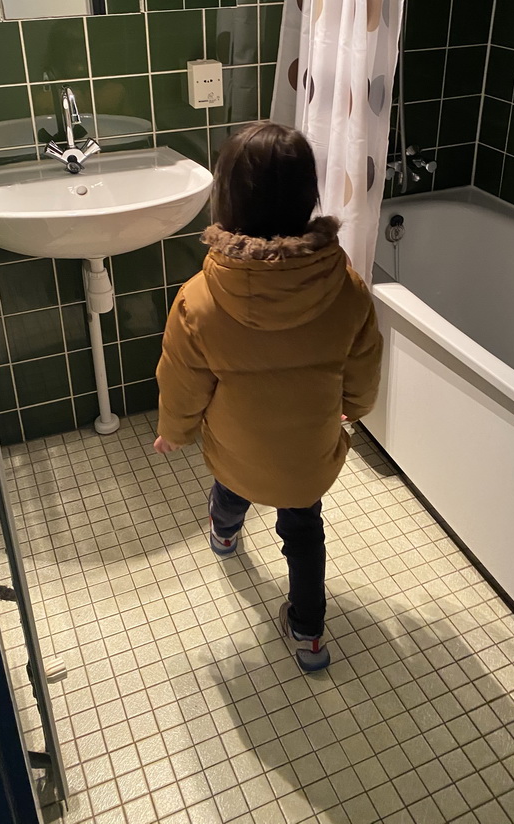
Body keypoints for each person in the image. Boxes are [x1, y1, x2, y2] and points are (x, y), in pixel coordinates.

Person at [153, 121, 382, 671]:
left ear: (225, 199)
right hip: (308, 453)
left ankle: (225, 534)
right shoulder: (345, 285)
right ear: (309, 195)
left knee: (232, 483)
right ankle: (308, 633)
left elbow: (182, 379)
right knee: (304, 534)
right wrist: (358, 406)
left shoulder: (200, 299)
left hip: (238, 448)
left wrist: (176, 430)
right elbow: (365, 359)